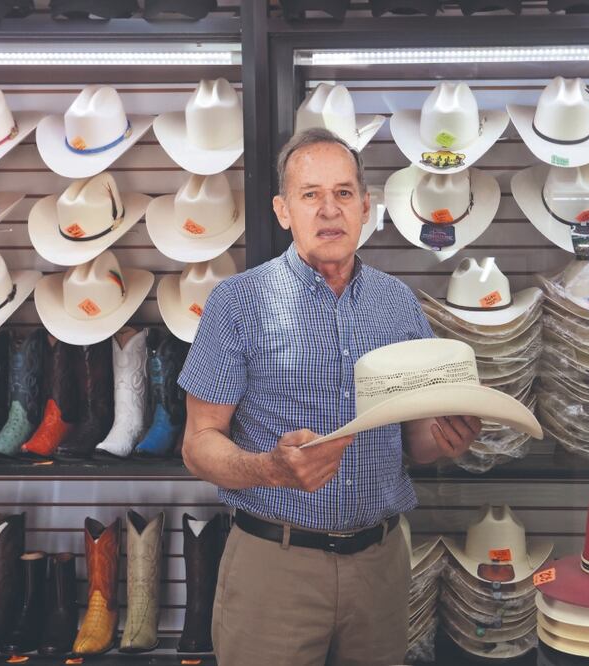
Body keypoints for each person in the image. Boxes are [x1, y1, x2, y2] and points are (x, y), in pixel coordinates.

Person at [178, 128, 482, 666]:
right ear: (282, 210)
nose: (328, 210)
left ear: (366, 208)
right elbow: (198, 443)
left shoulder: (398, 306)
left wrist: (446, 440)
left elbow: (411, 443)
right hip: (276, 566)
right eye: (310, 194)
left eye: (343, 193)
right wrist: (269, 468)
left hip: (380, 566)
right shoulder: (236, 303)